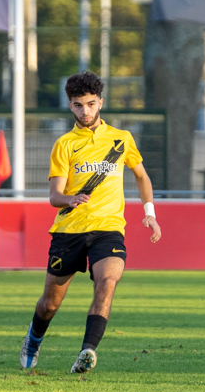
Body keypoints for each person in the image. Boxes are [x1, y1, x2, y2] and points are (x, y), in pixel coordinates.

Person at [18, 71, 161, 374]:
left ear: (101, 103)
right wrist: (69, 199)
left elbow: (142, 176)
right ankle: (34, 338)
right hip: (69, 231)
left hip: (108, 229)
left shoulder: (122, 139)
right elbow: (54, 196)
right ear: (70, 105)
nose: (85, 111)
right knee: (50, 303)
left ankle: (87, 352)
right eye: (78, 105)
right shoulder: (64, 144)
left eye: (91, 104)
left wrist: (149, 212)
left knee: (107, 282)